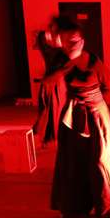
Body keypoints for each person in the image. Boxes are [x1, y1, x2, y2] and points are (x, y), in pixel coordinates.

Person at [49, 22, 110, 218]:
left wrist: (94, 103)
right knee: (72, 160)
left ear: (82, 42)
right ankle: (75, 207)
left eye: (73, 42)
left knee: (99, 159)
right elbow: (49, 81)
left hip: (96, 115)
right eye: (65, 42)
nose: (69, 46)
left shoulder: (94, 63)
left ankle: (106, 207)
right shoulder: (60, 61)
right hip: (72, 117)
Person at [32, 16, 70, 147]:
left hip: (56, 80)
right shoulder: (47, 40)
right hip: (52, 80)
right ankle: (43, 136)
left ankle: (46, 137)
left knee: (54, 109)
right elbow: (54, 53)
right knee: (49, 109)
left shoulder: (58, 42)